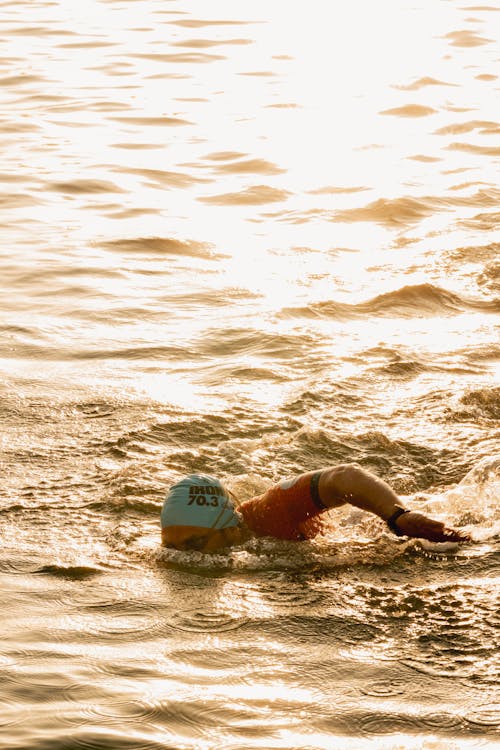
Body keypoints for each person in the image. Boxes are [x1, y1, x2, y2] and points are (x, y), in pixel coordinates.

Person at [160, 464, 471, 553]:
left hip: (360, 529)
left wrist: (397, 516)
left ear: (229, 527)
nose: (181, 556)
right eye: (171, 546)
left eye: (195, 544)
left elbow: (344, 477)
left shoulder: (272, 511)